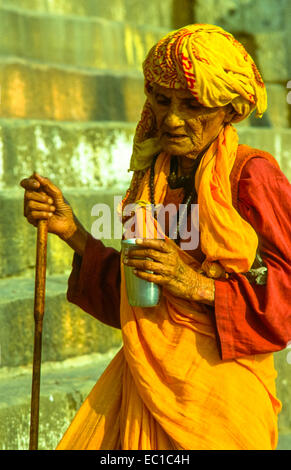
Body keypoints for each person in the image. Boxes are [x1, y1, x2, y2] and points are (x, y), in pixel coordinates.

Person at [20, 24, 291, 450]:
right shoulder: (150, 181)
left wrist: (195, 284)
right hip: (145, 379)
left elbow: (285, 297)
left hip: (219, 395)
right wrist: (71, 231)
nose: (172, 119)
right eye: (162, 101)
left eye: (193, 105)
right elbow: (135, 298)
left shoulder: (252, 175)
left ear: (227, 109)